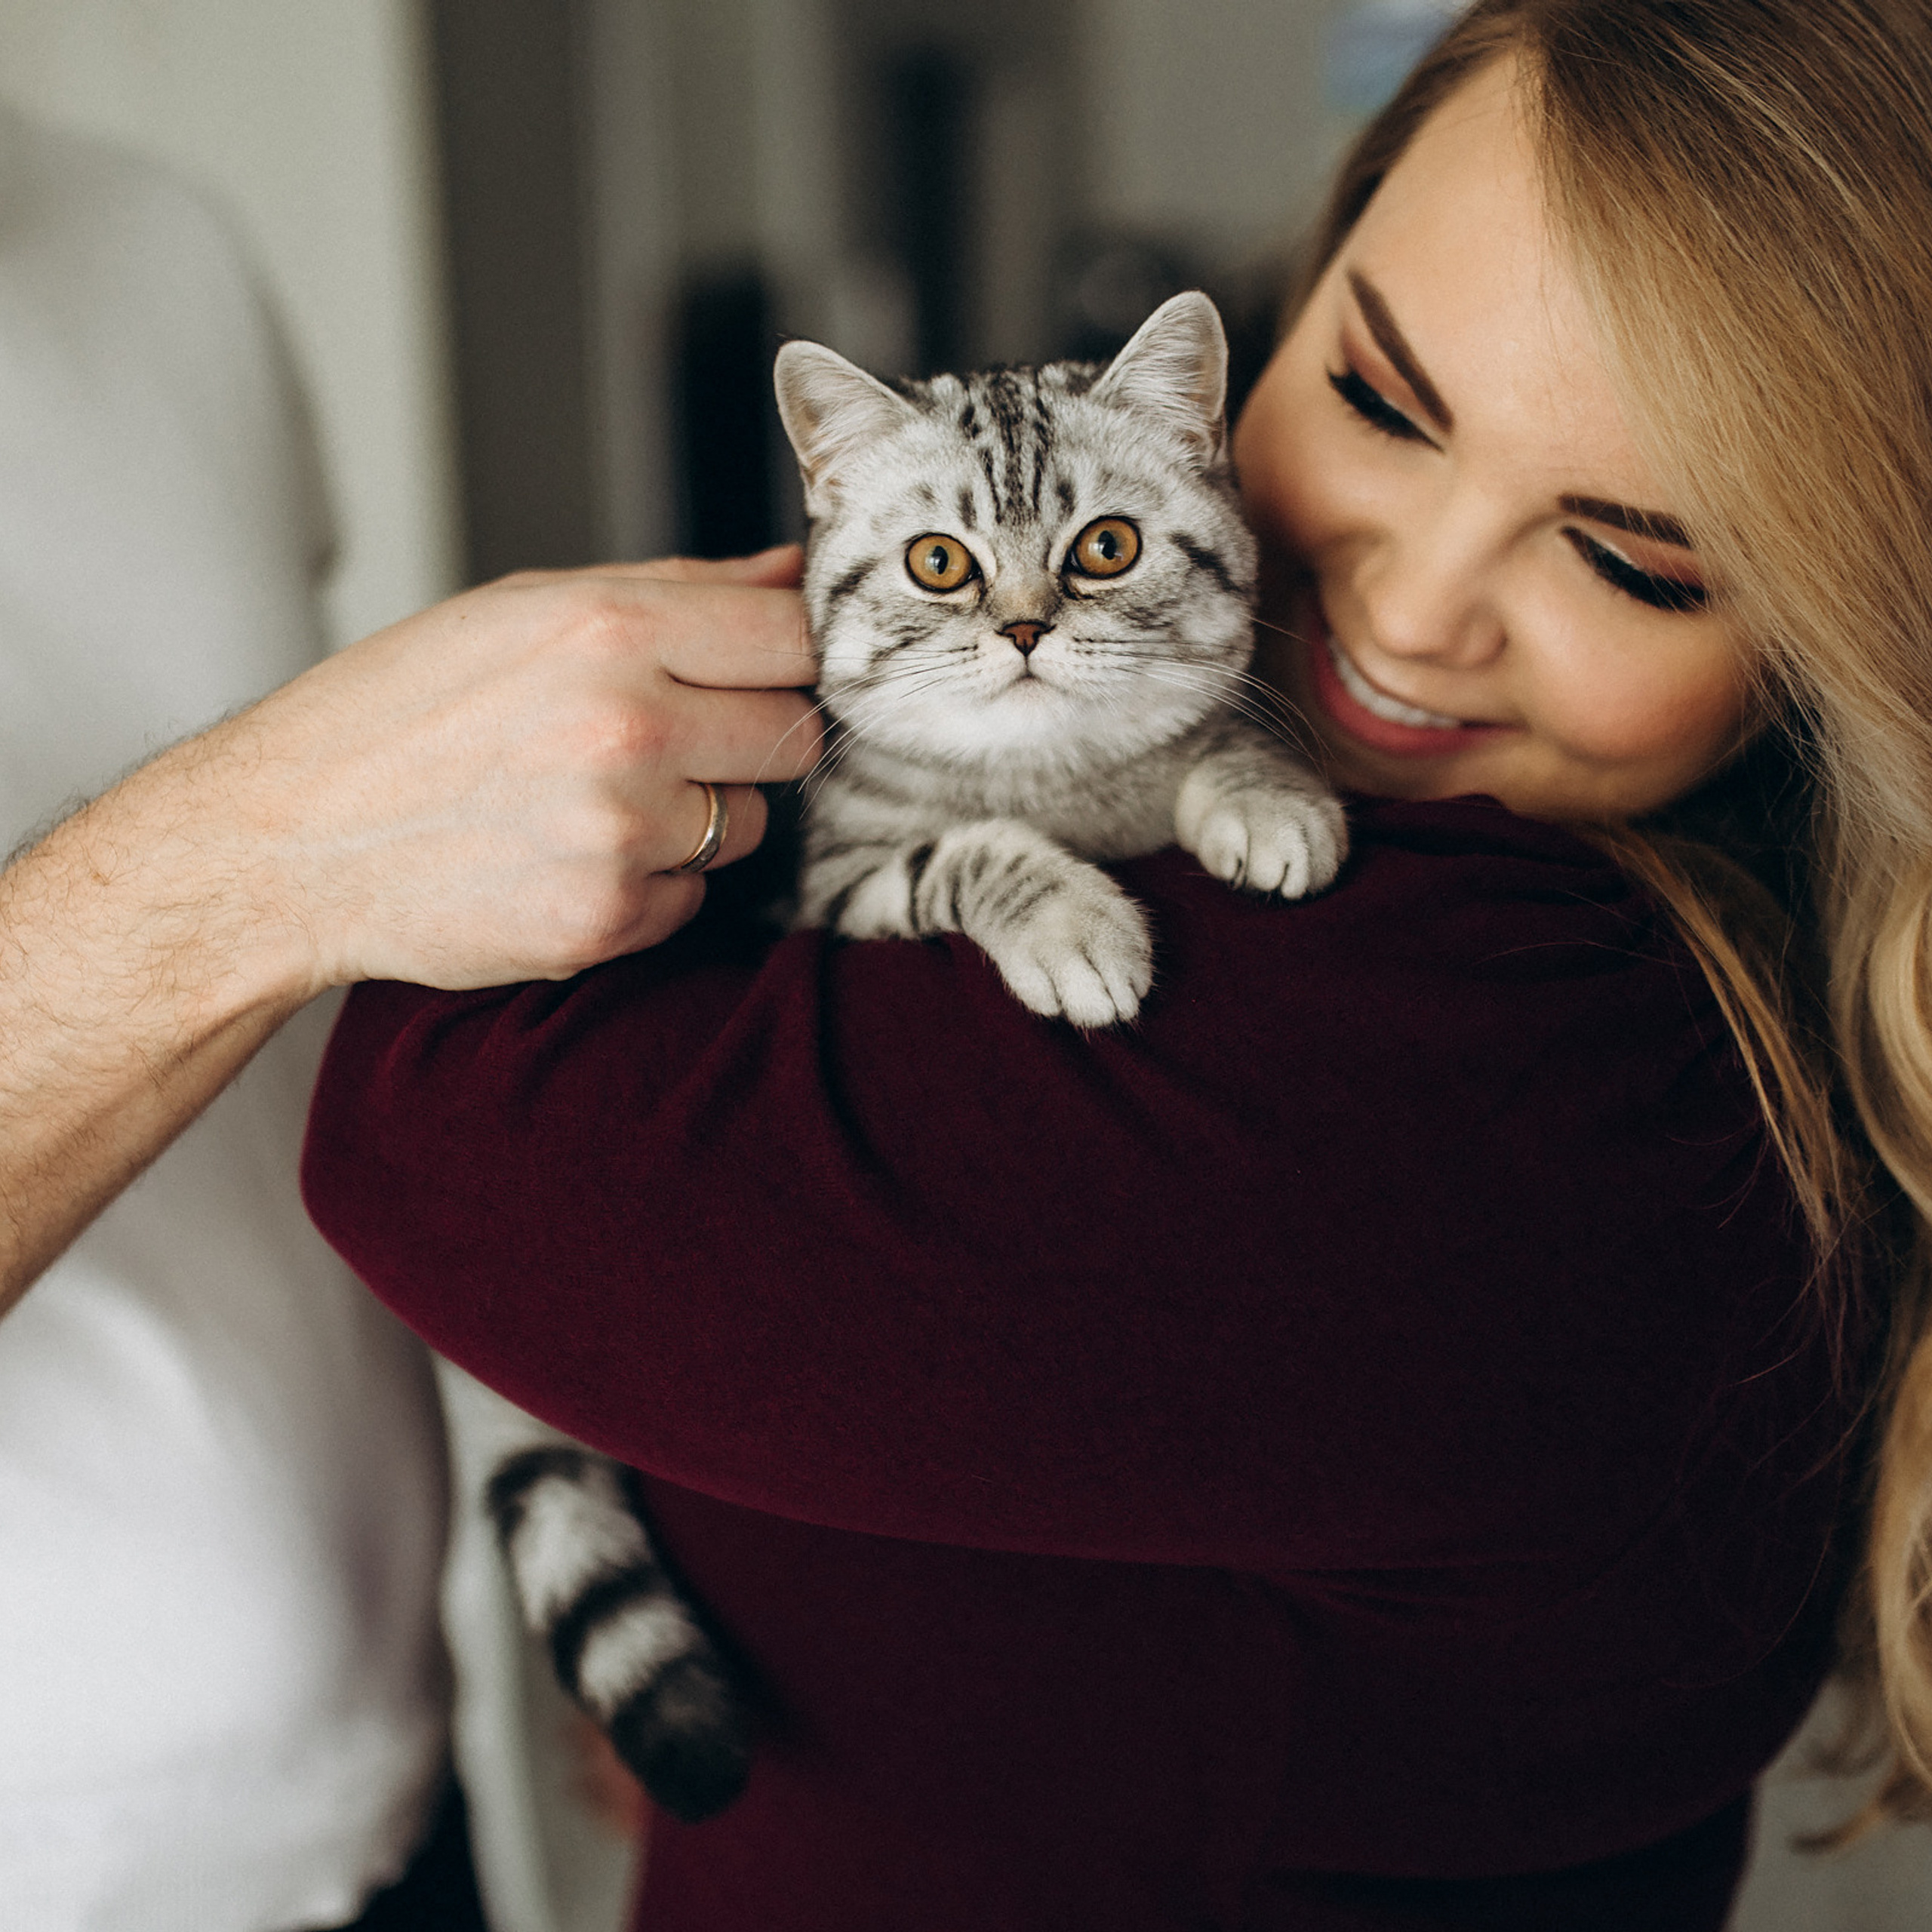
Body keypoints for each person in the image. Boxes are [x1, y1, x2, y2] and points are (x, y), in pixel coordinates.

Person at [301, 1, 1932, 1925]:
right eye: (1382, 400)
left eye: (1634, 560)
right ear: (1302, 278)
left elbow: (419, 1126)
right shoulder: (1610, 959)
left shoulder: (1519, 1060)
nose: (1402, 608)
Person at [0, 103, 816, 1930]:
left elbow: (273, 1035)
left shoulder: (157, 237)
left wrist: (586, 1508)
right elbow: (258, 885)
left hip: (386, 1795)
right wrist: (266, 839)